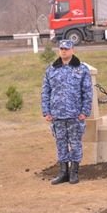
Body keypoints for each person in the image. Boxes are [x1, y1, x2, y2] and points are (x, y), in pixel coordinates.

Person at [41, 39, 93, 185]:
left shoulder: (81, 69)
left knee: (75, 143)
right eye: (61, 49)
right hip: (57, 114)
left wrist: (85, 111)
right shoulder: (51, 69)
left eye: (66, 49)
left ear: (72, 50)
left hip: (75, 114)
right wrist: (46, 111)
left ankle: (74, 172)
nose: (64, 51)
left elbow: (87, 92)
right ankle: (63, 172)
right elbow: (46, 91)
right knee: (61, 144)